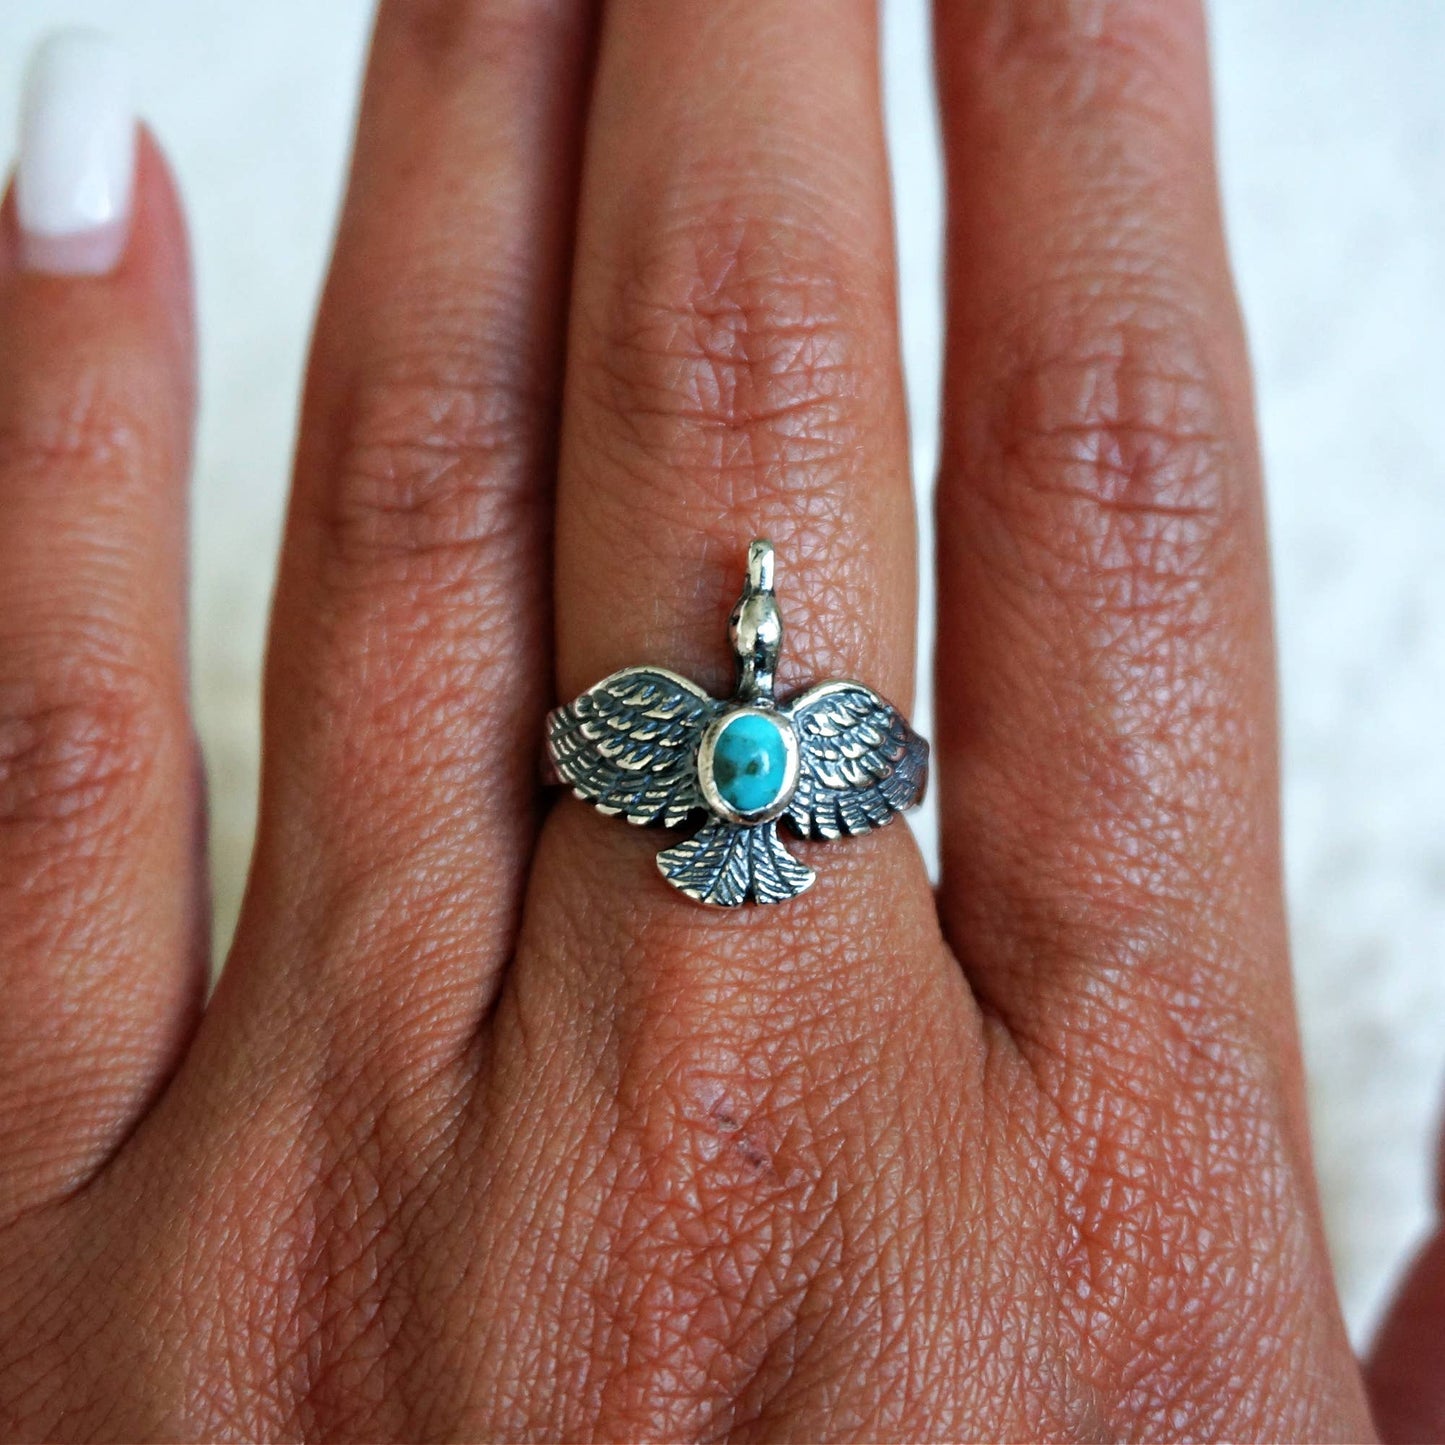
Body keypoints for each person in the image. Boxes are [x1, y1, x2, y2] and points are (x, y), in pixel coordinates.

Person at [0, 6, 1438, 1440]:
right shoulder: (685, 736)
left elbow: (872, 762)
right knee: (1120, 460)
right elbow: (614, 747)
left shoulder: (799, 756)